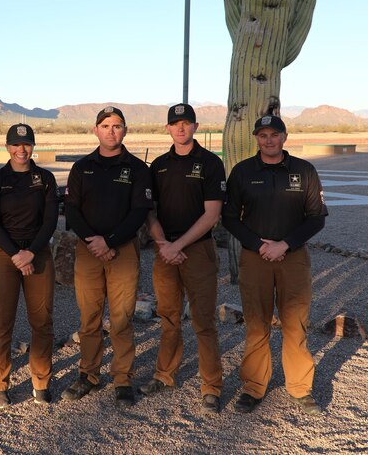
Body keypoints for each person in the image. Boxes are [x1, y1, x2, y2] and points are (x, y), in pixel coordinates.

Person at [222, 115, 328, 415]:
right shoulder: (243, 172)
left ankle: (300, 389)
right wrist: (260, 245)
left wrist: (285, 244)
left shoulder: (304, 171)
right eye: (263, 135)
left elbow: (317, 217)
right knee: (257, 324)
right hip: (255, 258)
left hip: (293, 258)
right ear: (256, 138)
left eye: (274, 134)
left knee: (295, 324)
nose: (268, 140)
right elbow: (229, 217)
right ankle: (254, 387)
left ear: (284, 137)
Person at [63, 106, 153, 408]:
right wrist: (94, 241)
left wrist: (111, 241)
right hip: (88, 250)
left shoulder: (139, 169)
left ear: (125, 131)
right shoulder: (82, 167)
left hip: (123, 250)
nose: (111, 131)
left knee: (121, 318)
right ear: (95, 130)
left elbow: (139, 211)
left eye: (117, 126)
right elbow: (72, 210)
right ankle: (88, 374)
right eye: (105, 125)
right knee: (89, 317)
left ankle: (123, 378)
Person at [139, 104, 225, 416]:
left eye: (186, 123)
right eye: (175, 124)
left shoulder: (211, 163)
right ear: (167, 128)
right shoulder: (158, 166)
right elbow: (150, 210)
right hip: (165, 251)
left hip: (197, 250)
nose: (180, 128)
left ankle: (211, 386)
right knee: (169, 317)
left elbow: (212, 213)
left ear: (195, 126)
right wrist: (162, 242)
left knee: (203, 320)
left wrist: (179, 245)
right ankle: (164, 375)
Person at [0, 123, 58, 409]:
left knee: (42, 321)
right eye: (15, 144)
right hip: (4, 253)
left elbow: (50, 220)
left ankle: (41, 381)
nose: (21, 150)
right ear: (7, 147)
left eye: (26, 144)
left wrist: (31, 253)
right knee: (2, 322)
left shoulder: (46, 179)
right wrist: (16, 254)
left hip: (38, 250)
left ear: (33, 146)